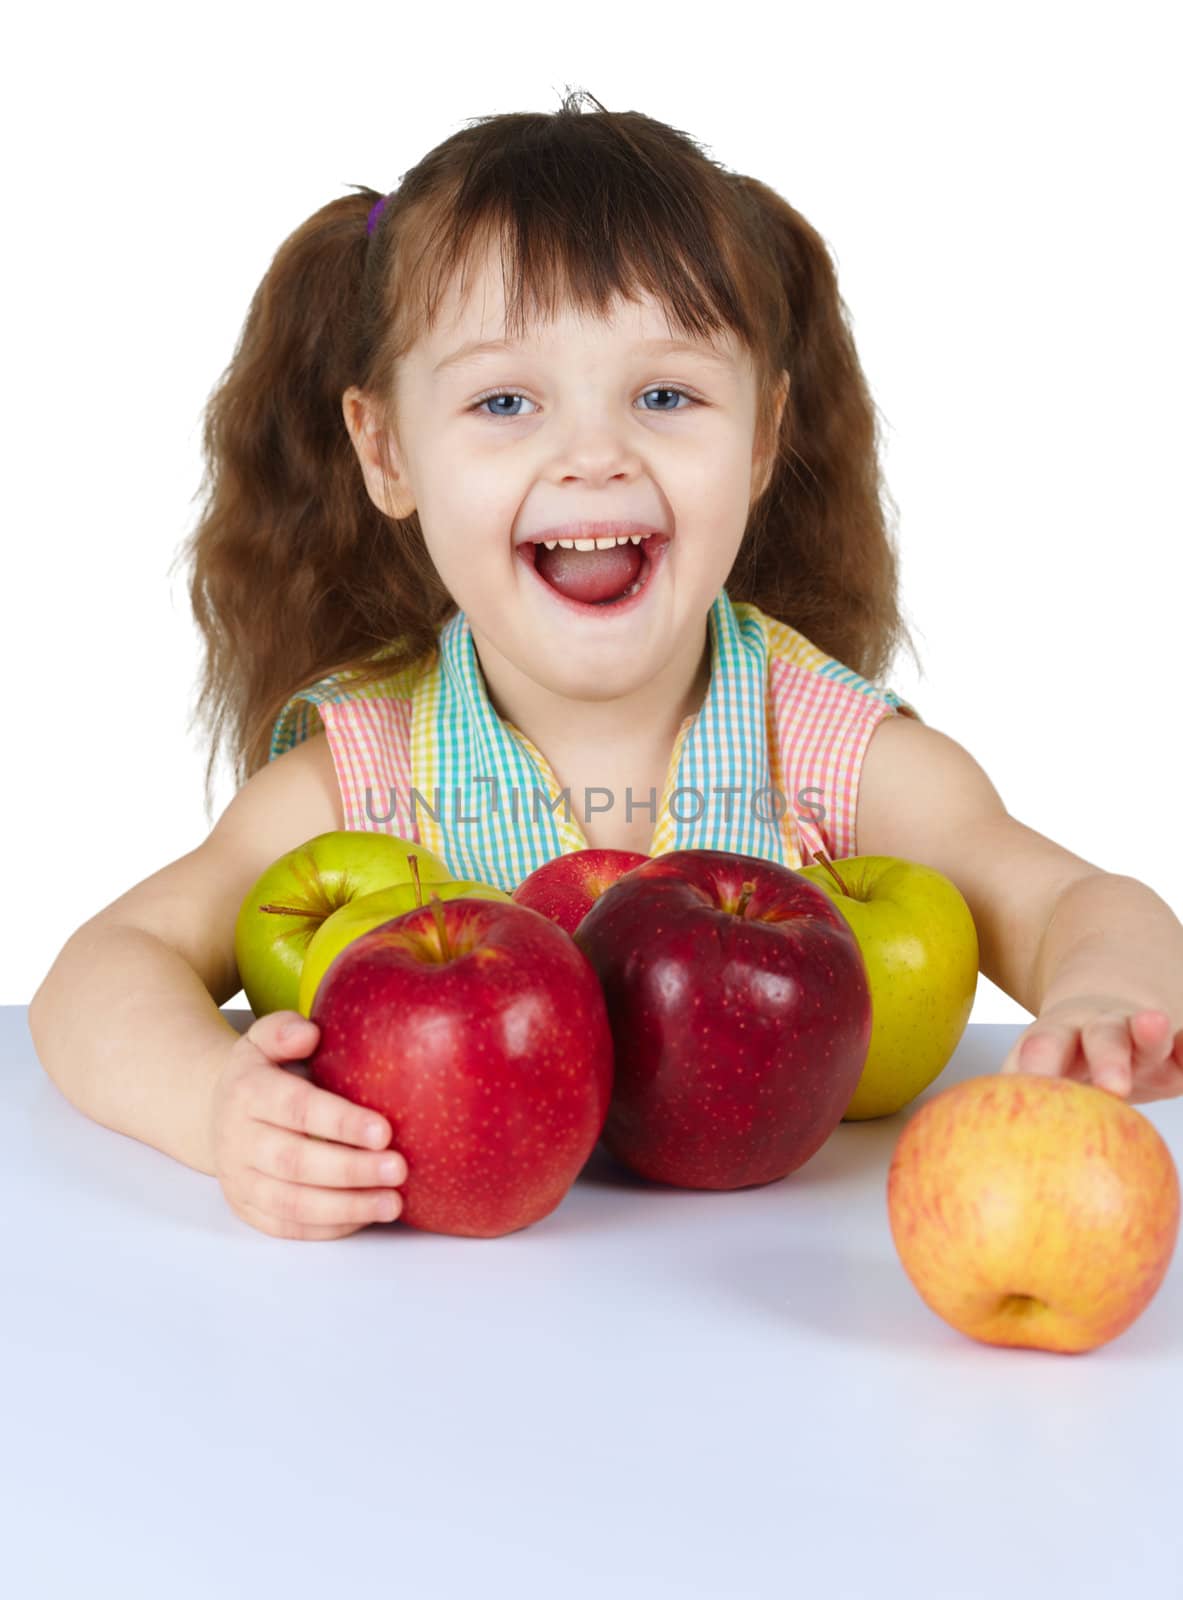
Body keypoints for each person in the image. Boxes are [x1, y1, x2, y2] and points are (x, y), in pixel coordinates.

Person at [28, 91, 1183, 1243]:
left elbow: (1076, 901)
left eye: (665, 395)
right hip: (440, 1339)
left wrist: (1102, 998)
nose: (591, 455)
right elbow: (101, 970)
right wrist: (216, 1105)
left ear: (764, 437)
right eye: (504, 400)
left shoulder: (825, 748)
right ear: (385, 451)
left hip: (773, 1312)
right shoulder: (364, 777)